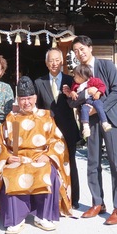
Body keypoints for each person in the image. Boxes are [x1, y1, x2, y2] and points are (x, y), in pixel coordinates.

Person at [0, 76, 72, 234]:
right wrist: (7, 157)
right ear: (18, 99)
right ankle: (16, 218)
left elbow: (57, 140)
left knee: (48, 172)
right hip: (17, 158)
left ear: (35, 98)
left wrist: (49, 155)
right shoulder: (12, 118)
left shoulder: (46, 116)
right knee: (12, 173)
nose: (26, 102)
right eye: (23, 99)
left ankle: (43, 216)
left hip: (40, 157)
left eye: (29, 98)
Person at [64, 35, 117, 225]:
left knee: (116, 164)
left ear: (90, 47)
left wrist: (97, 108)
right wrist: (72, 96)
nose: (80, 53)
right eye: (76, 51)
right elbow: (73, 101)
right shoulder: (77, 72)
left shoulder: (106, 65)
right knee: (93, 162)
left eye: (82, 48)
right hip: (91, 122)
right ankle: (98, 203)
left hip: (111, 119)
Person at [34, 47, 81, 209]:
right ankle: (52, 198)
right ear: (46, 63)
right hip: (48, 131)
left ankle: (73, 199)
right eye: (50, 60)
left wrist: (71, 96)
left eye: (57, 60)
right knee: (50, 163)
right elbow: (38, 108)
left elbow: (77, 103)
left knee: (71, 163)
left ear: (62, 62)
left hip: (68, 128)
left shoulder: (71, 80)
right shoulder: (39, 82)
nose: (54, 63)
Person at [64, 64, 112, 139]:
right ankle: (86, 127)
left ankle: (104, 122)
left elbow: (102, 86)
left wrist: (98, 93)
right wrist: (72, 93)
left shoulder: (93, 80)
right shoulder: (75, 85)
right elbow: (73, 93)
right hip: (85, 103)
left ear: (82, 76)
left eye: (76, 76)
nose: (74, 78)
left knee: (99, 106)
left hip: (94, 99)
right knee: (84, 110)